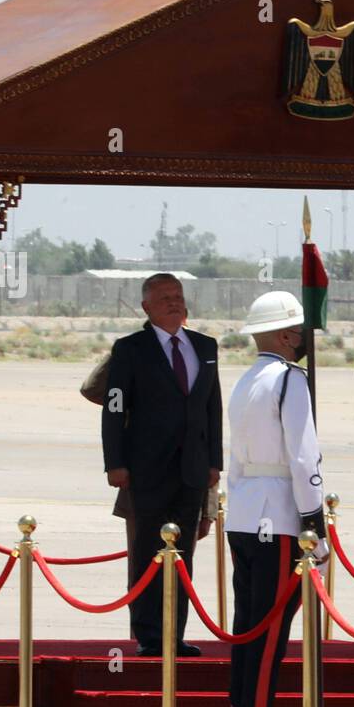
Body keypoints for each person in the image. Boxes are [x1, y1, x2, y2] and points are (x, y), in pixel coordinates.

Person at [225, 291, 328, 707]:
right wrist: (314, 522)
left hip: (246, 511)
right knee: (267, 635)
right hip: (280, 514)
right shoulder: (290, 380)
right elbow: (303, 456)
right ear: (286, 334)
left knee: (249, 631)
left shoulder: (247, 379)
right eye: (301, 330)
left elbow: (236, 459)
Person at [101, 273, 222, 657]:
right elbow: (113, 408)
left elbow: (212, 408)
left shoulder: (205, 346)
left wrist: (214, 462)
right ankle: (149, 634)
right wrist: (115, 462)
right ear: (146, 307)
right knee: (147, 551)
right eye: (165, 297)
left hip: (192, 469)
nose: (174, 302)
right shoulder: (130, 349)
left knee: (182, 553)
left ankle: (174, 634)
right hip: (146, 469)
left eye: (178, 296)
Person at [81, 341, 217, 588]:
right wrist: (130, 353)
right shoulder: (136, 361)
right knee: (143, 578)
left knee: (180, 577)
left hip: (189, 484)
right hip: (142, 483)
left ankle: (174, 628)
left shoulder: (196, 357)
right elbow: (91, 388)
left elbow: (206, 432)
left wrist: (208, 506)